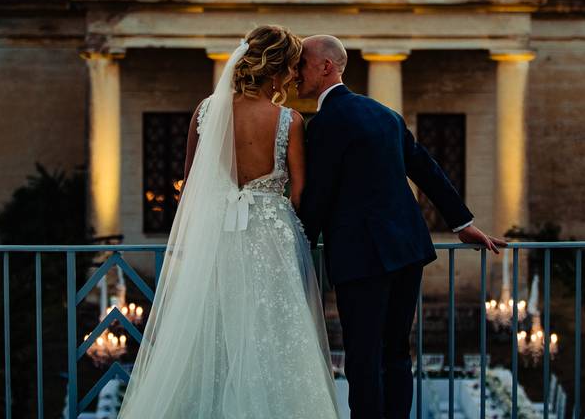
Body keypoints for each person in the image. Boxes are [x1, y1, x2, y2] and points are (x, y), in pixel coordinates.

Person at [118, 26, 339, 419]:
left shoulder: (206, 111)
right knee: (274, 330)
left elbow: (189, 185)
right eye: (290, 67)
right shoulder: (289, 121)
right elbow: (301, 192)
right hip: (270, 237)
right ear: (277, 69)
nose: (292, 76)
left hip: (216, 235)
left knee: (211, 330)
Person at [296, 34, 506, 419]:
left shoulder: (325, 123)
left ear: (326, 66)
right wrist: (463, 223)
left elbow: (319, 197)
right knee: (396, 352)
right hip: (408, 250)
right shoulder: (385, 114)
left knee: (363, 357)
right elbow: (426, 168)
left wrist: (295, 248)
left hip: (362, 257)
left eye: (301, 64)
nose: (295, 74)